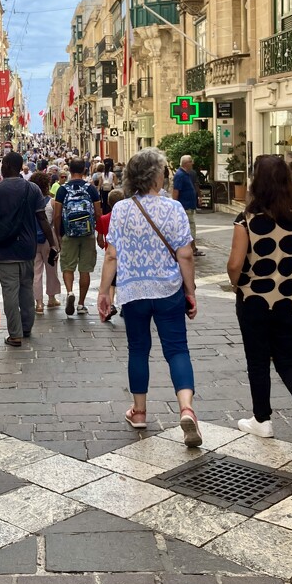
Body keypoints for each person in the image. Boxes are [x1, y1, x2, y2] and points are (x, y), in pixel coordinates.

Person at [97, 148, 202, 445]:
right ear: (157, 176)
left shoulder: (121, 209)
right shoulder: (174, 209)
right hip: (168, 289)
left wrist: (104, 292)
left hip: (133, 291)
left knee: (138, 350)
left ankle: (140, 412)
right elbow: (185, 255)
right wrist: (190, 291)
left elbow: (111, 256)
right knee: (177, 349)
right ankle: (186, 408)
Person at [226, 155, 292, 453]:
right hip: (291, 300)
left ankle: (263, 420)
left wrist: (237, 283)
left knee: (257, 361)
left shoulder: (247, 220)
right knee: (287, 360)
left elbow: (235, 264)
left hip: (254, 300)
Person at [0, 151, 55, 347]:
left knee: (10, 292)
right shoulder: (33, 189)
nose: (1, 167)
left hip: (5, 250)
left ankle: (15, 334)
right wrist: (52, 242)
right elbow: (42, 219)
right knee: (26, 289)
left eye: (3, 164)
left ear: (9, 166)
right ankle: (27, 327)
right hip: (28, 248)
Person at [54, 158, 101, 316]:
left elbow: (57, 215)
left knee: (68, 266)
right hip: (87, 234)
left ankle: (69, 292)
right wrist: (100, 233)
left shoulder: (62, 189)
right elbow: (98, 213)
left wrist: (58, 235)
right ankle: (81, 304)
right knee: (85, 269)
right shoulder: (91, 189)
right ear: (84, 171)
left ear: (69, 171)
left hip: (69, 233)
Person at [28, 171, 61, 314]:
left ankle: (39, 303)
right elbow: (54, 221)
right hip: (49, 239)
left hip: (33, 239)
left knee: (36, 273)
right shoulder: (51, 202)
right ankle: (51, 298)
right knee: (51, 269)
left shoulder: (29, 202)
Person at [96, 187, 124, 320]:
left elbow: (100, 237)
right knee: (123, 281)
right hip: (125, 255)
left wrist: (102, 243)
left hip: (111, 253)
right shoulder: (126, 218)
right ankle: (125, 305)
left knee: (112, 283)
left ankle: (111, 304)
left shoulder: (104, 218)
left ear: (109, 203)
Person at [172, 154, 205, 257]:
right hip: (185, 207)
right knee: (190, 228)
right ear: (186, 163)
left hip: (189, 206)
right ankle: (192, 249)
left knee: (191, 228)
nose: (193, 163)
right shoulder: (180, 175)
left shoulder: (186, 174)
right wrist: (175, 207)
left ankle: (193, 248)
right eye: (191, 161)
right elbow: (176, 191)